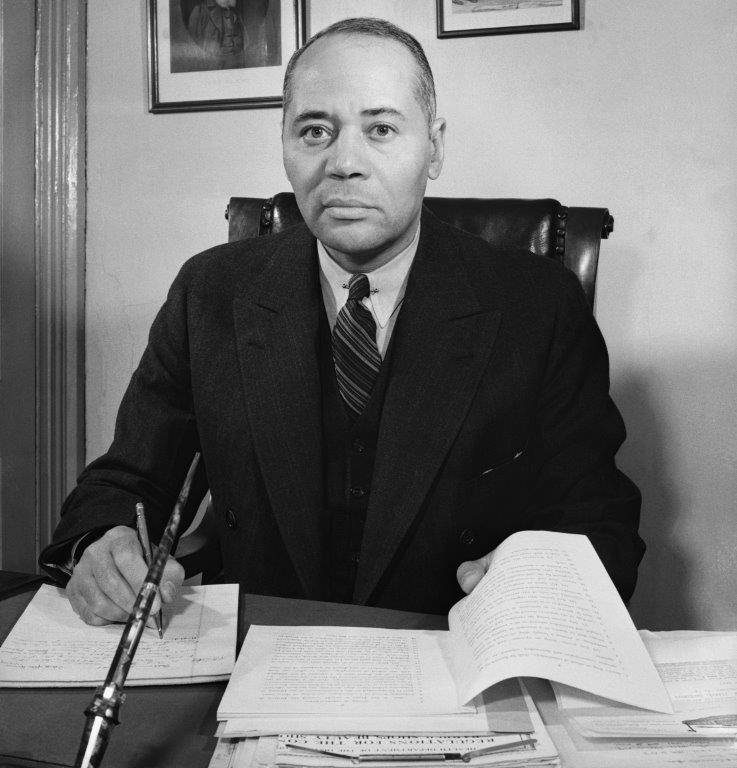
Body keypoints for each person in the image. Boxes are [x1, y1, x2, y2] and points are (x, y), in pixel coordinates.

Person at [40, 17, 644, 625]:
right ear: (283, 144)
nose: (343, 163)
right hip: (259, 646)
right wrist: (100, 544)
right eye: (315, 131)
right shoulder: (211, 292)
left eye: (381, 129)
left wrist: (544, 575)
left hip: (449, 658)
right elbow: (128, 480)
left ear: (434, 147)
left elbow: (600, 521)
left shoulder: (538, 306)